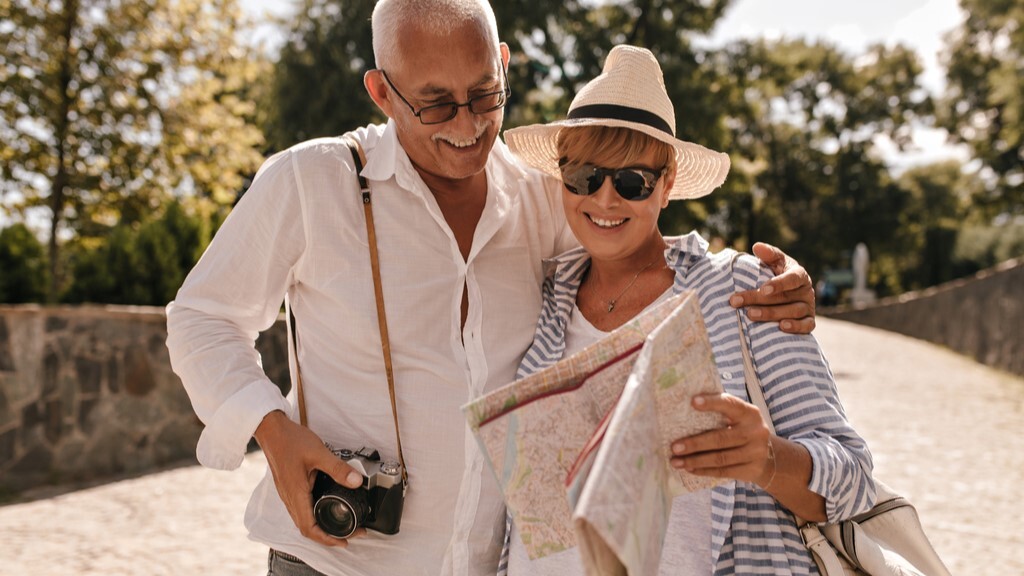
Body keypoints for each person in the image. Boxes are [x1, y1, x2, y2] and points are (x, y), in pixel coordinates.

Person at [165, 2, 816, 575]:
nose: (469, 124)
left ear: (504, 64)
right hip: (332, 560)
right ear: (382, 93)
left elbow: (629, 240)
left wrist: (763, 276)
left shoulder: (544, 198)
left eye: (485, 94)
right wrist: (271, 430)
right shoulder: (310, 181)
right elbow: (201, 316)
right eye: (436, 103)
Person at [501, 45, 875, 575]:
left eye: (632, 181)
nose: (605, 199)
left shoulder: (741, 291)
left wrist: (767, 457)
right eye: (585, 175)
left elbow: (854, 476)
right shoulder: (544, 293)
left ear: (668, 183)